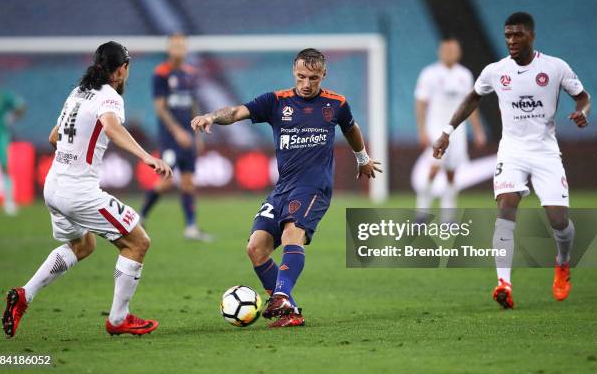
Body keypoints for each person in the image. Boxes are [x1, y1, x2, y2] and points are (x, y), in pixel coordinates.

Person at [191, 48, 382, 327]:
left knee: (293, 233)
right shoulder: (275, 101)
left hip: (314, 187)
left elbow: (351, 128)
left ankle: (280, 295)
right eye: (302, 76)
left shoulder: (336, 104)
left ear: (323, 75)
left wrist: (362, 158)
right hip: (283, 188)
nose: (306, 84)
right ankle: (289, 310)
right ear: (294, 72)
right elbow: (234, 112)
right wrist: (211, 116)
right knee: (256, 248)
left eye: (313, 78)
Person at [2, 41, 172, 337]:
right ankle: (118, 320)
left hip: (53, 186)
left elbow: (54, 136)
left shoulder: (78, 92)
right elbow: (111, 126)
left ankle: (24, 296)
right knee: (138, 242)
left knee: (83, 246)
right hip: (77, 191)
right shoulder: (110, 97)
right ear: (122, 70)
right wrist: (146, 157)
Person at [433, 12, 591, 309]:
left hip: (545, 152)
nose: (511, 41)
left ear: (531, 36)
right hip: (512, 151)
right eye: (507, 35)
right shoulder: (496, 70)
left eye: (517, 35)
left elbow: (583, 96)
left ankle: (563, 263)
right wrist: (447, 131)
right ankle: (503, 283)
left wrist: (582, 112)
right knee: (506, 206)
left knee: (559, 221)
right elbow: (472, 98)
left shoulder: (555, 68)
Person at [139, 34, 212, 242]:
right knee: (166, 181)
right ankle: (140, 217)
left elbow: (193, 106)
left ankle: (191, 227)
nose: (179, 49)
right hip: (170, 139)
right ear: (169, 49)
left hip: (189, 137)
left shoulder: (190, 74)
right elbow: (160, 107)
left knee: (189, 182)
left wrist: (197, 135)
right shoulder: (161, 73)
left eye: (182, 46)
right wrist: (177, 131)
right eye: (175, 46)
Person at [414, 38, 486, 221]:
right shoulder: (429, 73)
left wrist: (478, 131)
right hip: (435, 129)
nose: (449, 54)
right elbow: (421, 102)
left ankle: (448, 218)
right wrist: (422, 129)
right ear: (440, 52)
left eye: (453, 50)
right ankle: (422, 212)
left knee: (452, 173)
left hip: (458, 132)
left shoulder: (465, 75)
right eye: (446, 50)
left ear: (459, 53)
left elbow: (470, 106)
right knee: (433, 168)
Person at [0, 70, 26, 216]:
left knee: (4, 168)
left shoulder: (3, 96)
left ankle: (9, 202)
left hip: (1, 137)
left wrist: (13, 115)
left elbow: (20, 107)